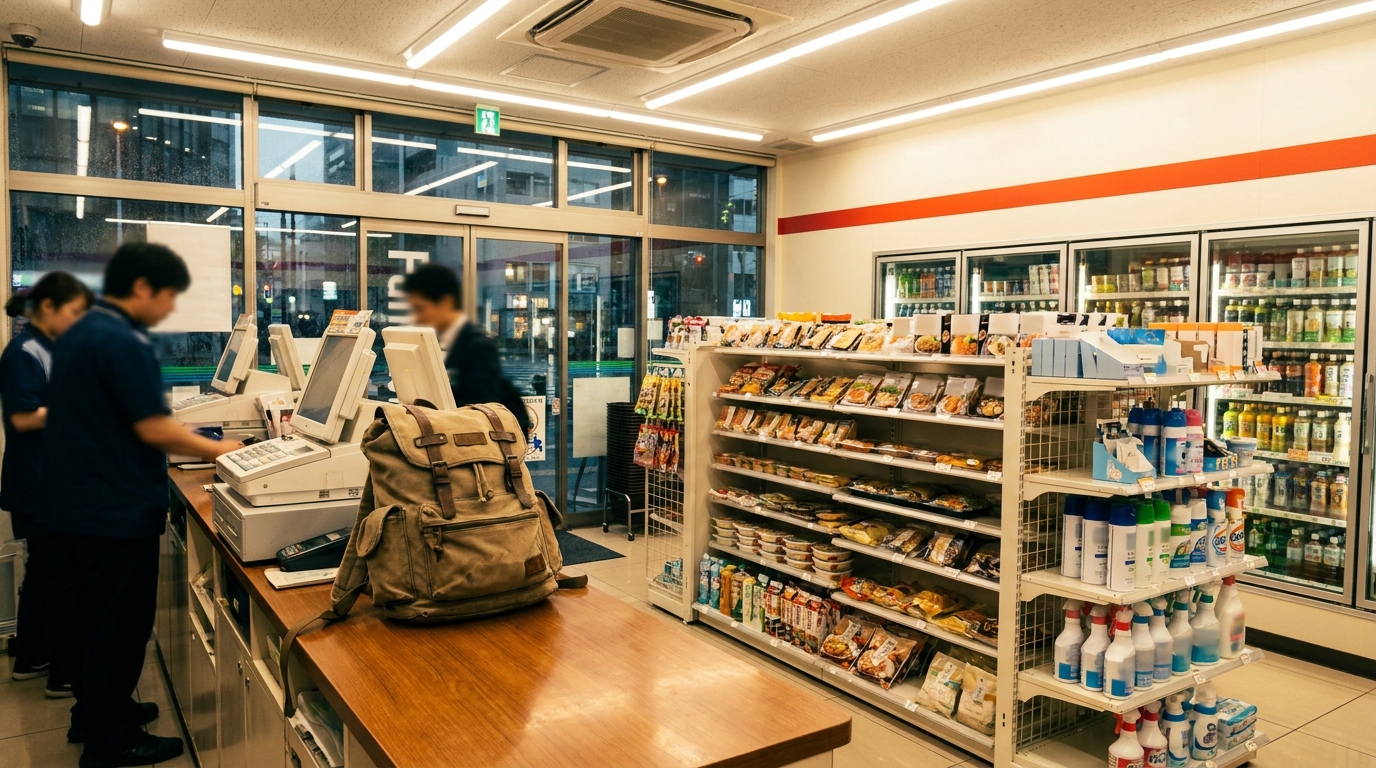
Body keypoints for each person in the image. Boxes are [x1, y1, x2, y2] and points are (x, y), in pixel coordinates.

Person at [43, 243, 243, 768]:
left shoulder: (84, 331)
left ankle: (96, 715)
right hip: (114, 513)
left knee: (93, 621)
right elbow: (152, 427)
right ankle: (110, 743)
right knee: (119, 627)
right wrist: (227, 450)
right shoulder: (122, 339)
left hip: (79, 507)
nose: (170, 308)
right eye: (169, 296)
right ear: (141, 287)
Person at [2, 272, 94, 696]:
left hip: (47, 480)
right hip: (38, 484)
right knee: (61, 578)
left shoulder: (50, 348)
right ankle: (64, 674)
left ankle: (32, 656)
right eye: (73, 312)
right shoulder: (23, 352)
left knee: (42, 574)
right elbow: (24, 417)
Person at [401, 263, 533, 436]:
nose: (417, 317)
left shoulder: (478, 347)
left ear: (445, 302)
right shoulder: (442, 342)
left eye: (420, 308)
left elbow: (482, 410)